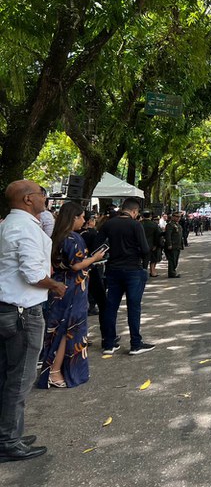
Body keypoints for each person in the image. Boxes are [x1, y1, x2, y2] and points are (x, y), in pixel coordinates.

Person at [0, 180, 66, 463]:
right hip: (23, 312)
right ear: (28, 199)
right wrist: (54, 285)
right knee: (21, 378)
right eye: (42, 194)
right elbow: (32, 273)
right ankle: (9, 441)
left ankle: (9, 433)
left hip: (9, 308)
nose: (45, 198)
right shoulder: (25, 227)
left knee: (7, 375)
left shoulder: (8, 225)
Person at [37, 202, 105, 389]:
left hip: (61, 287)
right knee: (69, 331)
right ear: (73, 217)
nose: (84, 220)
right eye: (82, 217)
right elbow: (76, 265)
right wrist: (94, 258)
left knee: (59, 330)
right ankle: (55, 371)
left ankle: (54, 370)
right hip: (73, 289)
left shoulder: (56, 237)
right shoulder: (72, 238)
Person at [99, 198, 154, 356]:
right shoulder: (136, 225)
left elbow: (98, 243)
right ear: (135, 211)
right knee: (134, 307)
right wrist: (143, 266)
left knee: (111, 307)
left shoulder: (109, 224)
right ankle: (135, 343)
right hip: (133, 270)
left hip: (113, 269)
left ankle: (109, 343)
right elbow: (145, 248)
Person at [140, 211, 163, 278]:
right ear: (150, 216)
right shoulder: (154, 225)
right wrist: (156, 245)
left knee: (140, 260)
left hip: (139, 245)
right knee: (149, 260)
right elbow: (157, 236)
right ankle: (146, 273)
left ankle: (141, 273)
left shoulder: (139, 224)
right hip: (150, 245)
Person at [164, 212, 184, 279]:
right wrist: (169, 244)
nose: (178, 218)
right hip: (173, 245)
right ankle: (172, 273)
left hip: (177, 245)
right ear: (173, 217)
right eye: (176, 216)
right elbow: (168, 235)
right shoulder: (170, 225)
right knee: (172, 260)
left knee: (175, 260)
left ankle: (173, 271)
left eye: (179, 217)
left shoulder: (177, 225)